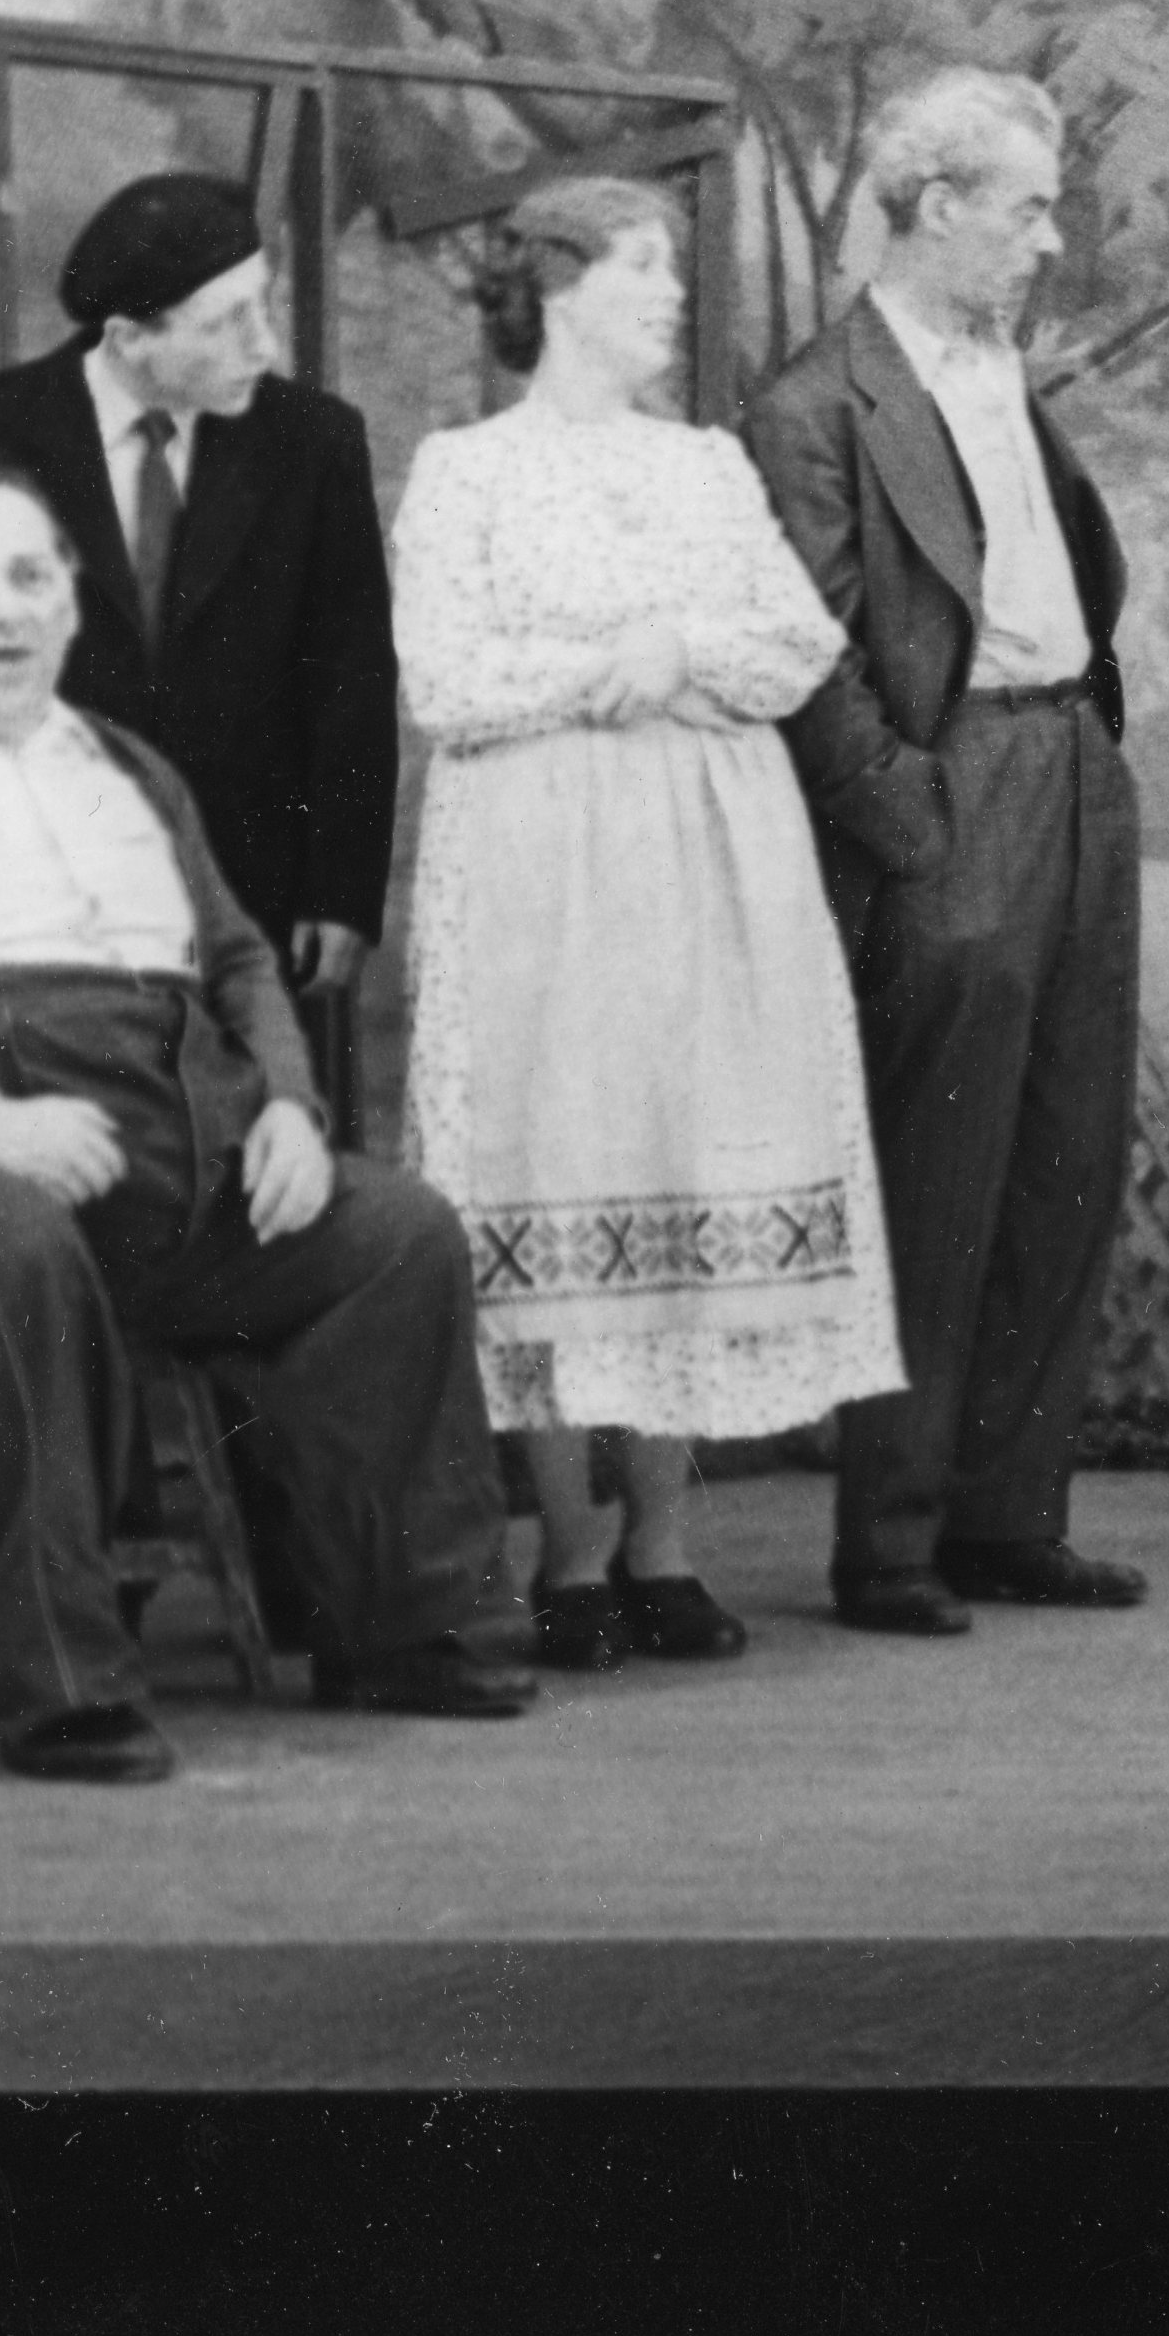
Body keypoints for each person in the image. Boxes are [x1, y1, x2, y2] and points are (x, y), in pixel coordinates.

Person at [0, 467, 534, 1783]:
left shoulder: (126, 767)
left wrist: (290, 1108)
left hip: (157, 1148)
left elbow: (240, 962)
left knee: (395, 1233)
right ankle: (58, 1687)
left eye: (29, 577)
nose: (3, 609)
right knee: (12, 1251)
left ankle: (411, 1627)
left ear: (69, 602)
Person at [397, 176, 906, 1671]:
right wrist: (606, 668)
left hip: (709, 867)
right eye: (642, 265)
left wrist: (680, 644)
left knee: (684, 1155)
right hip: (538, 871)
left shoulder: (705, 466)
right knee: (561, 1159)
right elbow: (446, 678)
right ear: (560, 287)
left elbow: (796, 640)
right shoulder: (465, 472)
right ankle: (565, 1551)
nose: (672, 292)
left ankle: (663, 1543)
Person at [743, 71, 1152, 1638]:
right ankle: (892, 1543)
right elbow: (809, 658)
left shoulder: (999, 371)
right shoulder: (810, 407)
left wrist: (1084, 750)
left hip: (1073, 770)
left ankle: (1009, 1519)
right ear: (932, 207)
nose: (1048, 242)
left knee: (1067, 1156)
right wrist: (916, 819)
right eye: (1025, 210)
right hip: (956, 785)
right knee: (941, 1171)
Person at [0, 173, 399, 1010]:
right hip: (46, 890)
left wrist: (341, 889)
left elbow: (350, 679)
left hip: (248, 899)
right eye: (225, 322)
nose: (264, 345)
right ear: (130, 338)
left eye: (263, 305)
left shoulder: (313, 443)